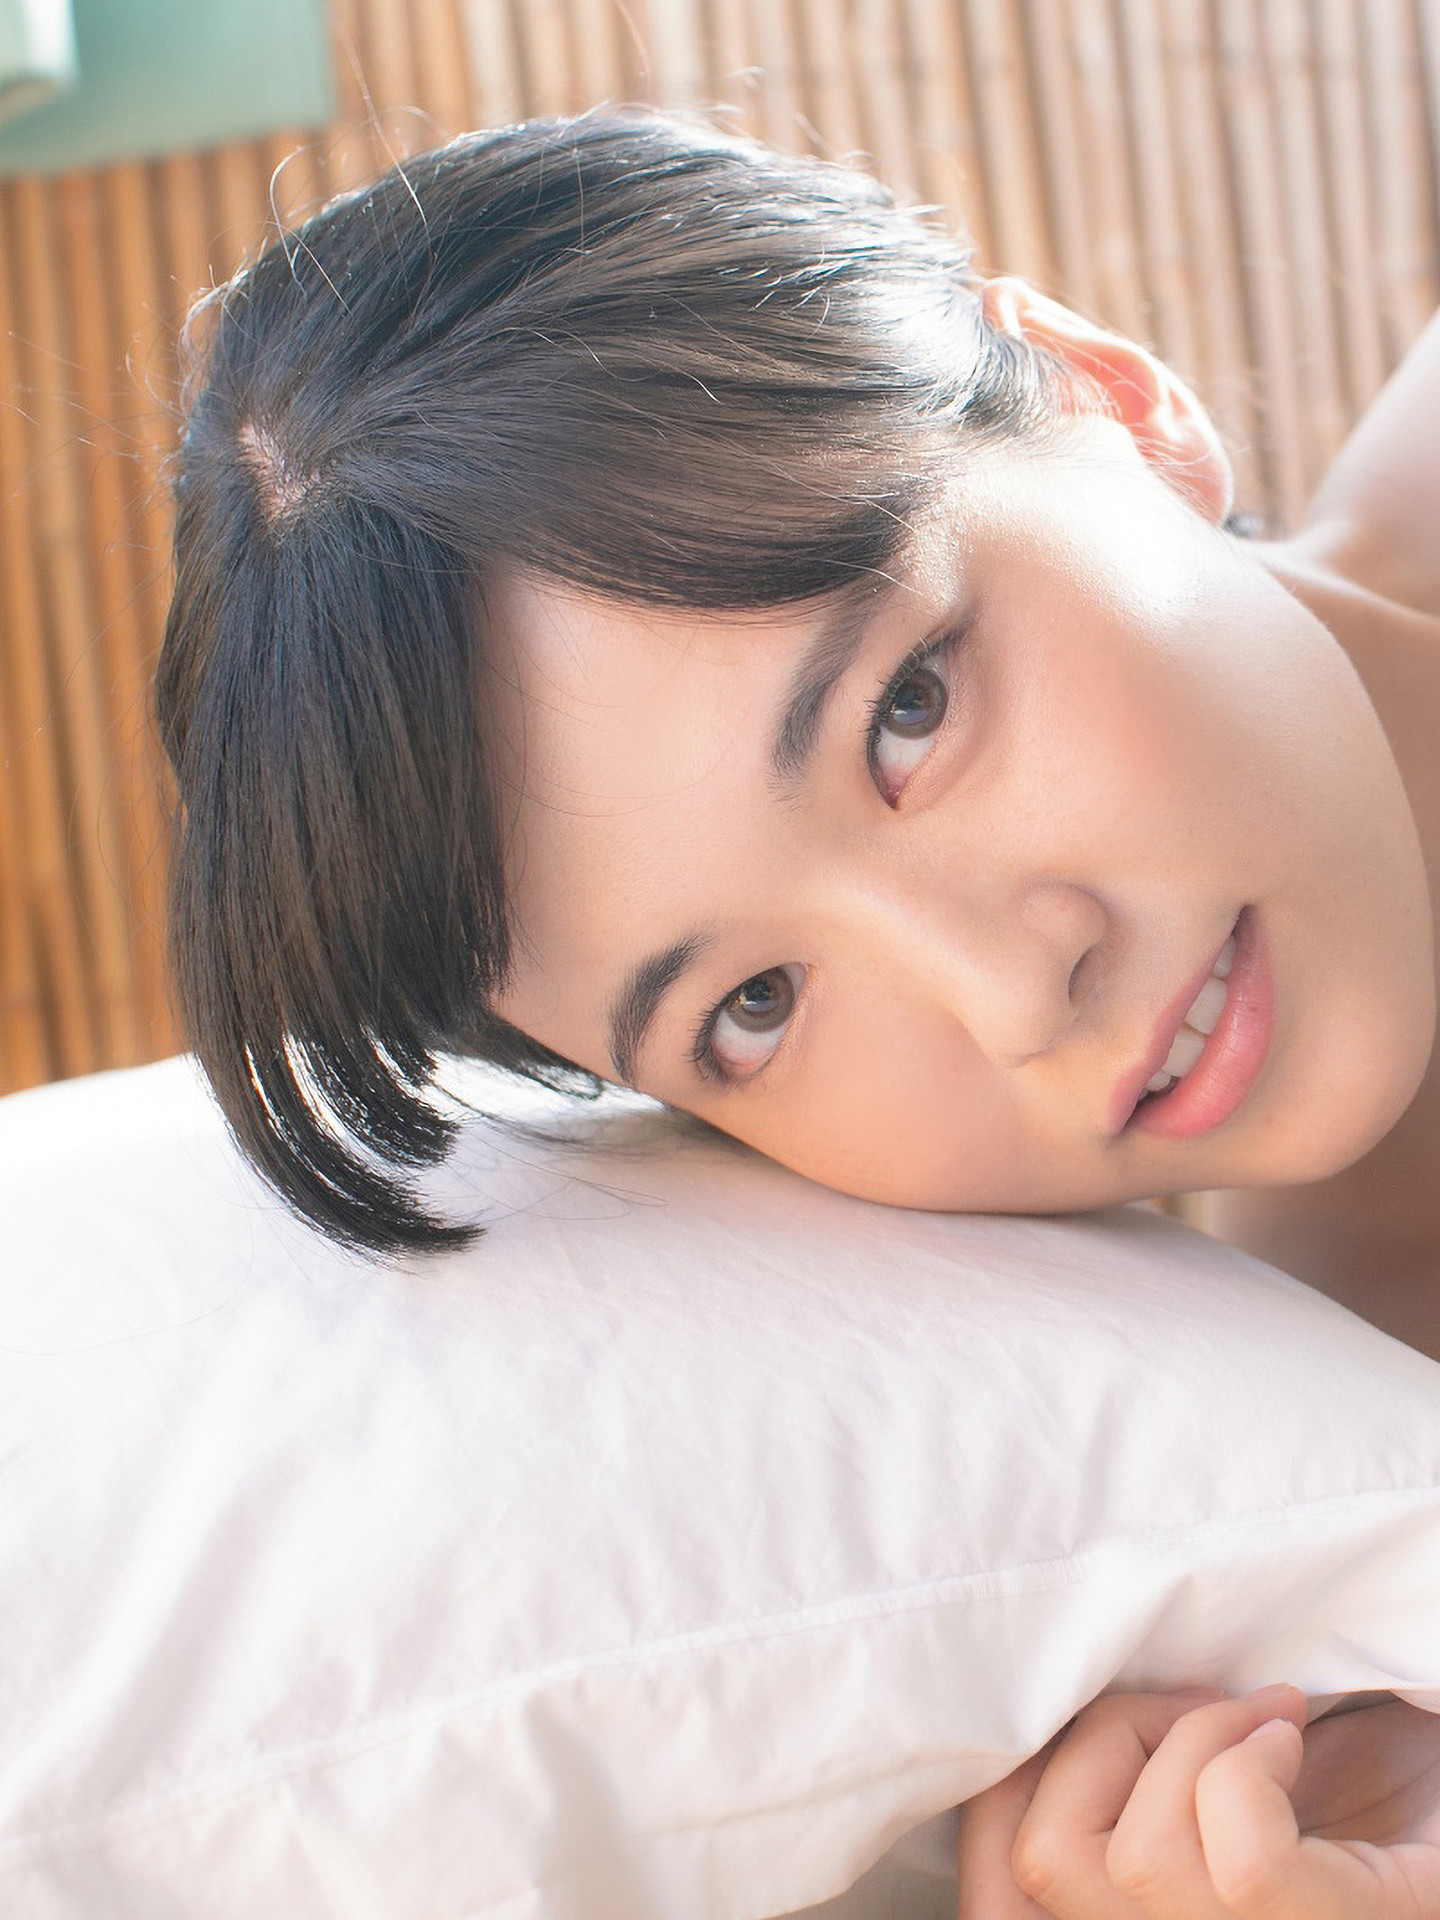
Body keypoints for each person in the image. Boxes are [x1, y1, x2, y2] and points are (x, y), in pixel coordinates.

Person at [155, 106, 1440, 1917]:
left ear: (1110, 400)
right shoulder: (1318, 1580)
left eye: (909, 711)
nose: (1012, 990)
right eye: (754, 1006)